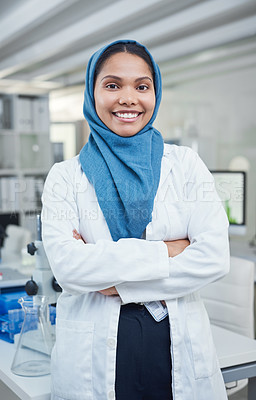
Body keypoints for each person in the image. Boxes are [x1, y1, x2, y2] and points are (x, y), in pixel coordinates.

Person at [42, 39, 230, 400]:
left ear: (154, 93)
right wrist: (170, 250)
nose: (128, 98)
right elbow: (69, 268)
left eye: (142, 86)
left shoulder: (185, 164)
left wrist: (116, 284)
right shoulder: (65, 177)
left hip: (177, 359)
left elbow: (214, 257)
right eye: (113, 85)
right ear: (92, 93)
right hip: (92, 362)